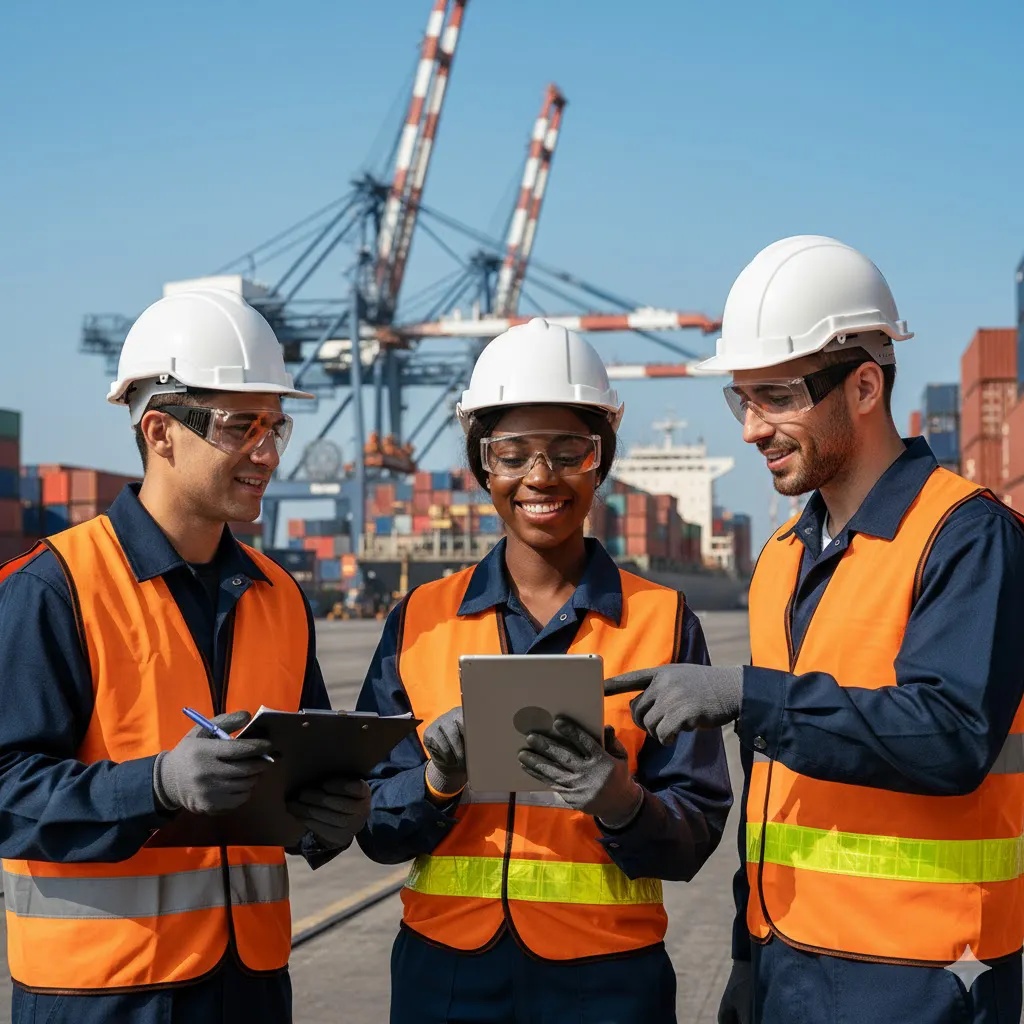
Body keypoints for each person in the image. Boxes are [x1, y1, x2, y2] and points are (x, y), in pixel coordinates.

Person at [606, 236, 1024, 1024]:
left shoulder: (966, 537)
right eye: (742, 399)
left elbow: (950, 734)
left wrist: (748, 695)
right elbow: (777, 793)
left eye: (776, 397)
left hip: (926, 977)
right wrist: (744, 955)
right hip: (786, 961)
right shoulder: (780, 560)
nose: (750, 429)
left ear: (865, 385)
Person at [0, 288, 372, 1024]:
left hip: (251, 987)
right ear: (161, 431)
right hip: (101, 995)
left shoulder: (280, 597)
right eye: (243, 426)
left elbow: (292, 774)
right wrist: (156, 785)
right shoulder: (53, 588)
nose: (267, 452)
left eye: (277, 425)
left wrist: (324, 819)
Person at [355, 317, 733, 1024]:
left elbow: (695, 834)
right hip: (446, 979)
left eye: (570, 452)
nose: (540, 477)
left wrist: (621, 801)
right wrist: (437, 782)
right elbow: (371, 824)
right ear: (481, 465)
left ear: (602, 460)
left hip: (609, 983)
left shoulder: (663, 619)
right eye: (512, 453)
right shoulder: (418, 620)